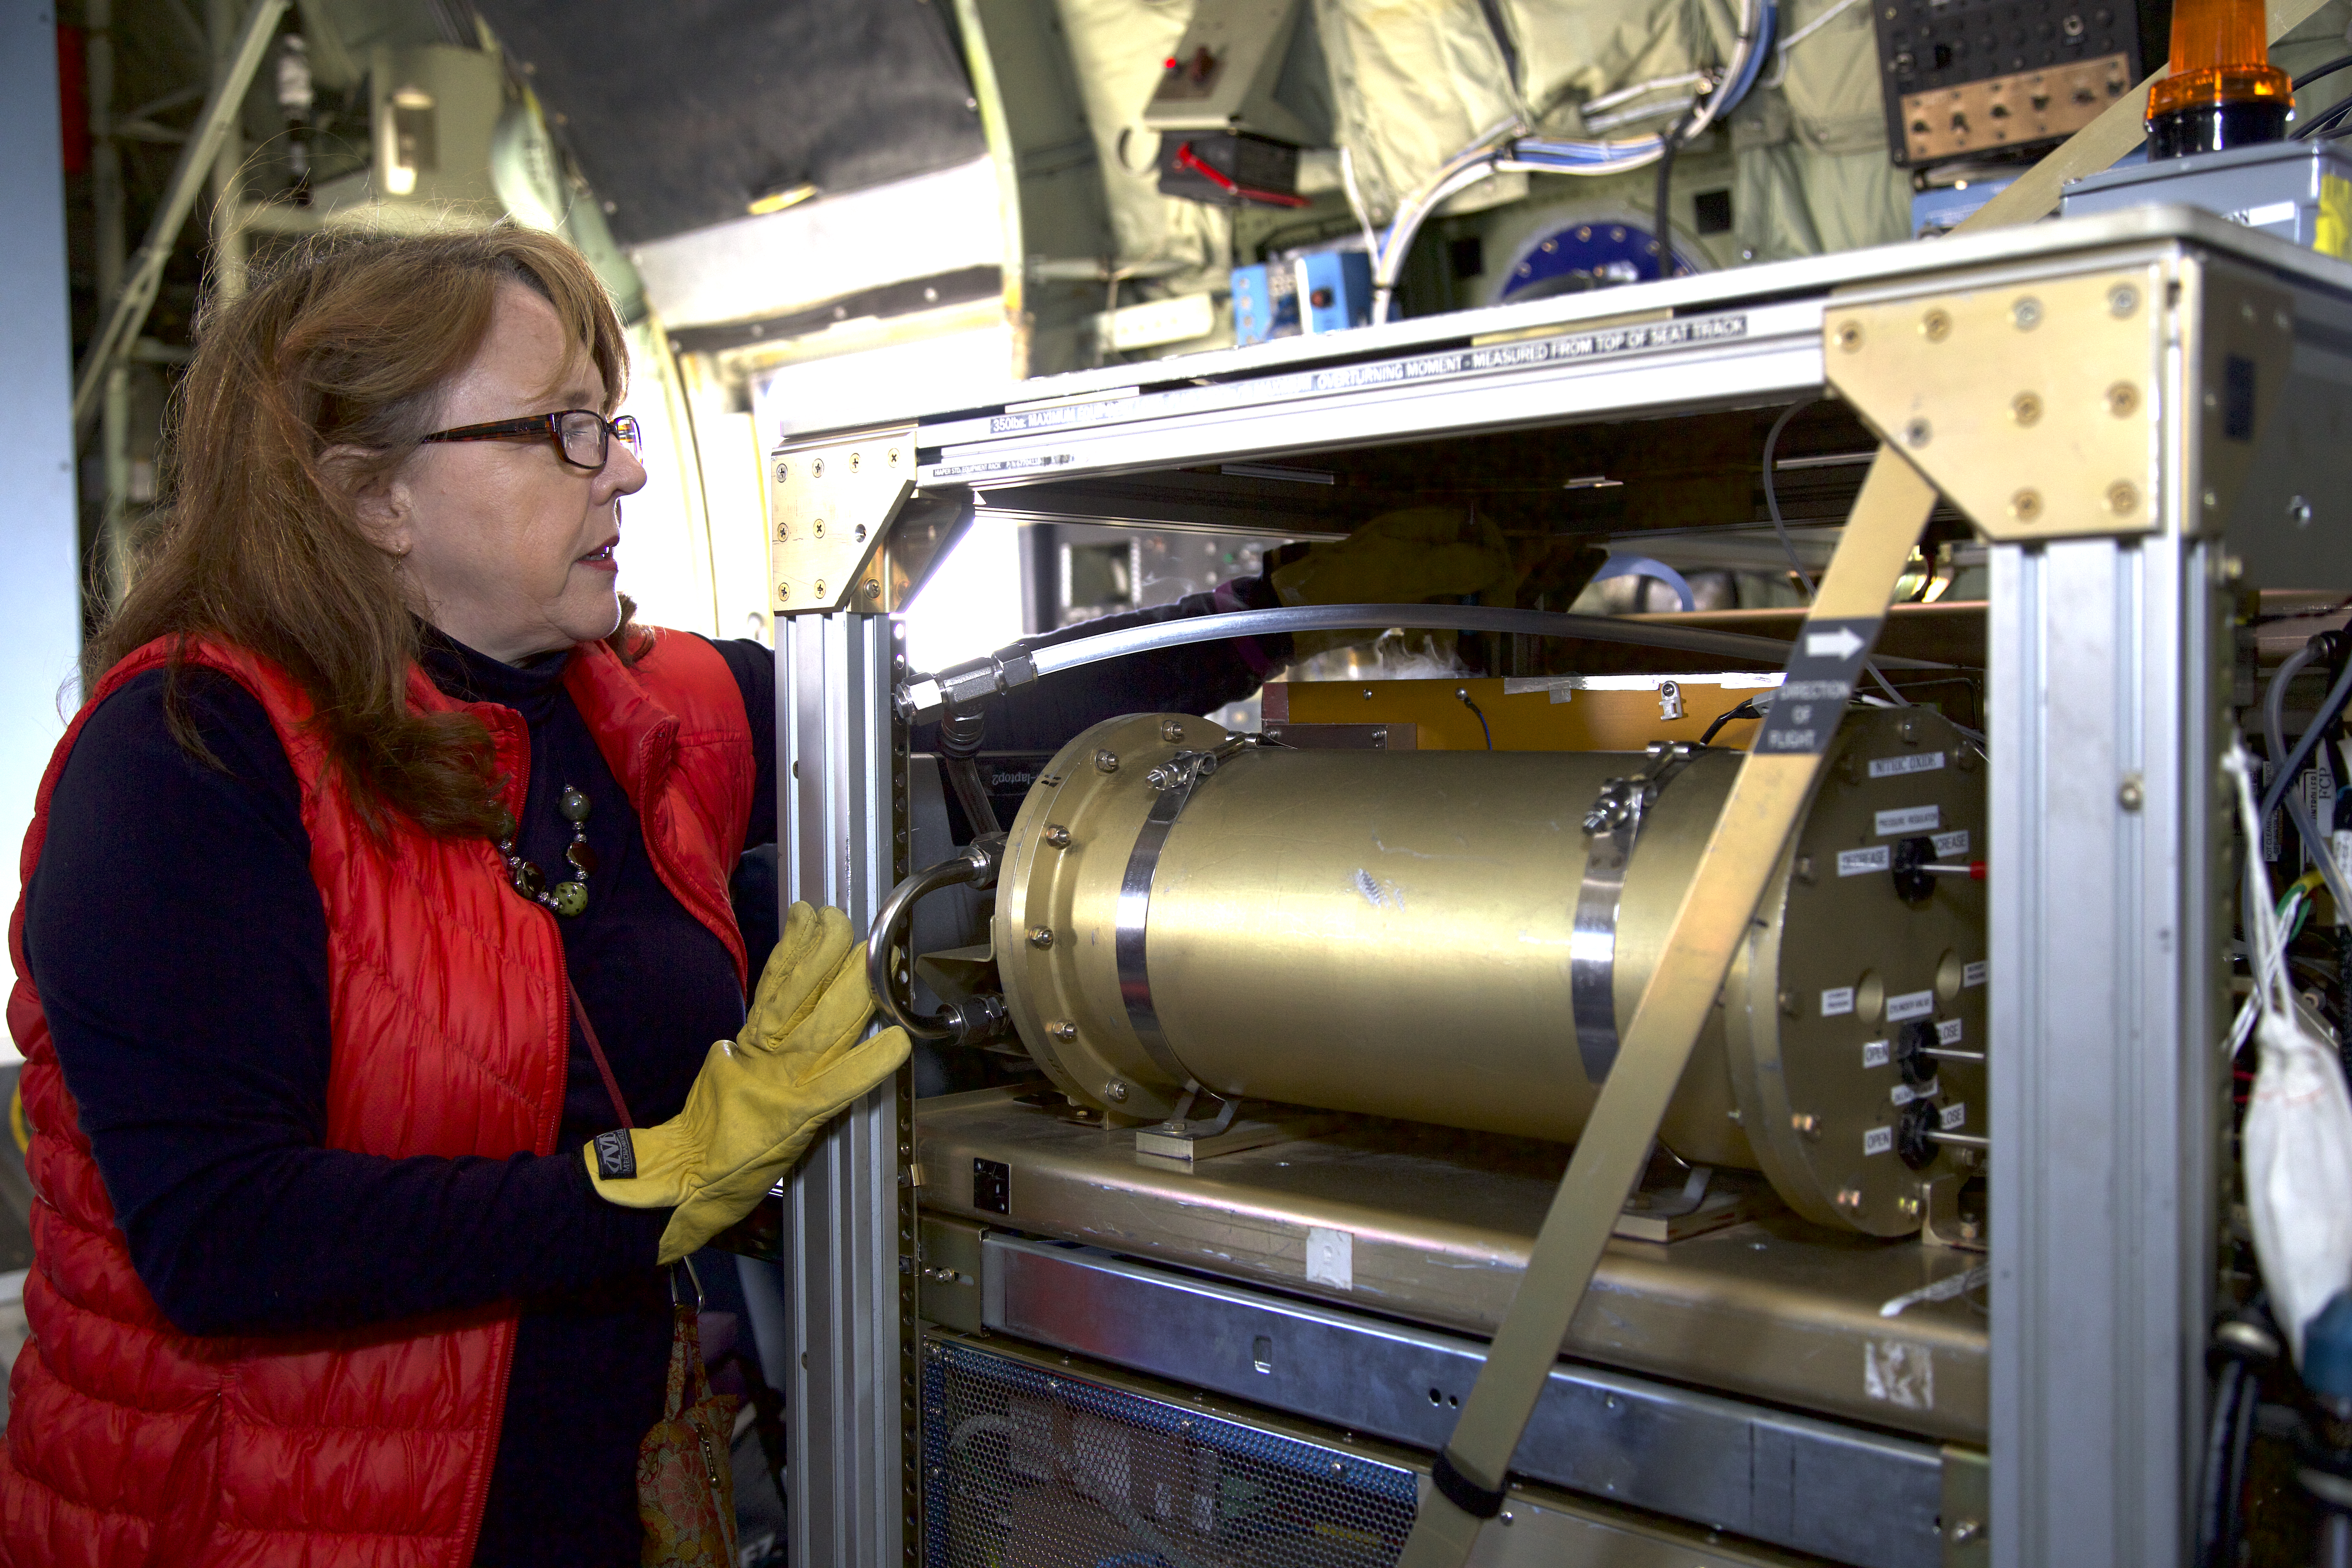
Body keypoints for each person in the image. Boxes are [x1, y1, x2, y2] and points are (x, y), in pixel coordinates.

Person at [0, 226, 1290, 1568]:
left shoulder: (625, 712)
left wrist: (1263, 615)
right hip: (277, 1526)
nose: (626, 463)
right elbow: (220, 1235)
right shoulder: (187, 752)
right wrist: (650, 1183)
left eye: (607, 418)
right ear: (369, 494)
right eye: (560, 429)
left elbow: (950, 725)